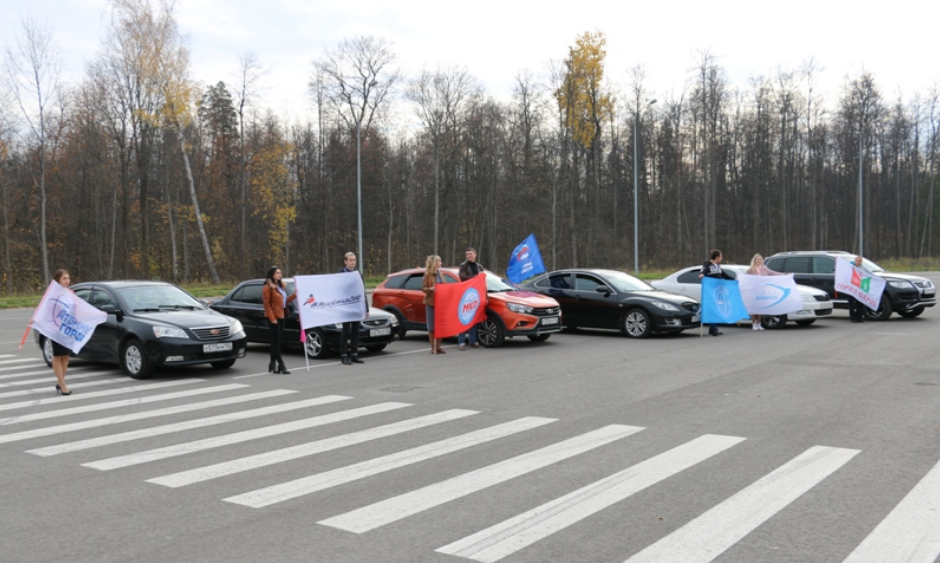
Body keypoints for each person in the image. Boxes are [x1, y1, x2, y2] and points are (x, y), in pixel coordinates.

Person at [262, 265, 296, 374]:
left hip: (282, 316)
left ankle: (272, 363)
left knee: (275, 341)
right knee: (276, 342)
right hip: (274, 317)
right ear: (272, 275)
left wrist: (295, 295)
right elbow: (266, 305)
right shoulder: (268, 287)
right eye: (277, 273)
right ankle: (281, 364)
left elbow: (285, 302)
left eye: (280, 272)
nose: (279, 274)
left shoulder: (281, 286)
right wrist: (272, 319)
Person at [746, 253, 786, 331]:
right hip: (754, 290)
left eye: (760, 259)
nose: (759, 261)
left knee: (761, 307)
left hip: (762, 290)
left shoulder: (764, 269)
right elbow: (746, 279)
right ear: (754, 260)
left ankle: (759, 323)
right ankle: (754, 323)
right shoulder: (750, 270)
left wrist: (784, 275)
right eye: (757, 259)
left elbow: (773, 273)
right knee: (754, 308)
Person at [699, 249, 735, 336]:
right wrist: (702, 274)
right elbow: (704, 270)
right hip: (711, 291)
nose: (722, 258)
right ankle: (713, 328)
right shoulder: (708, 264)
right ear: (717, 257)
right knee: (714, 308)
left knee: (718, 308)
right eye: (721, 256)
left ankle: (713, 328)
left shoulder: (718, 266)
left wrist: (734, 280)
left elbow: (724, 275)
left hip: (718, 291)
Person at [338, 252, 366, 365]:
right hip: (345, 306)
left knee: (355, 331)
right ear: (345, 261)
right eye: (350, 260)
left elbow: (362, 292)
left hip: (356, 306)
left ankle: (354, 353)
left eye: (354, 260)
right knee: (346, 331)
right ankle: (344, 354)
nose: (352, 262)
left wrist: (366, 309)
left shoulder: (358, 274)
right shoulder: (340, 273)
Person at [51, 269, 74, 395]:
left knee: (66, 356)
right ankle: (62, 383)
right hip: (56, 329)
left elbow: (78, 308)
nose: (67, 281)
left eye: (68, 278)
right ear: (58, 280)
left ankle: (61, 382)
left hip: (68, 329)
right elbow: (45, 309)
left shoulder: (70, 293)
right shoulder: (53, 294)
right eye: (64, 278)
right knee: (58, 356)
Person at [457, 247, 485, 350]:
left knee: (474, 318)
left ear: (475, 255)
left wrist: (485, 296)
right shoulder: (463, 266)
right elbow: (463, 277)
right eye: (467, 254)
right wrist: (477, 277)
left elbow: (483, 282)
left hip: (477, 295)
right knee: (464, 318)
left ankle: (473, 340)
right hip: (466, 295)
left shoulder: (479, 266)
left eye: (470, 254)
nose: (468, 256)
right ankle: (461, 341)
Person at [422, 255, 446, 355]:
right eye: (439, 261)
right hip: (431, 303)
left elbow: (445, 286)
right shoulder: (427, 275)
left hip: (441, 304)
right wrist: (430, 289)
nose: (441, 263)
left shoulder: (441, 274)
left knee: (440, 326)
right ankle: (433, 347)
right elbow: (423, 288)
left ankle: (439, 347)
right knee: (432, 327)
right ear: (434, 263)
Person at [847, 255, 866, 323]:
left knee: (860, 303)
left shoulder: (863, 269)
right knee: (852, 304)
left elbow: (870, 275)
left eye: (859, 261)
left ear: (861, 261)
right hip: (852, 288)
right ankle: (853, 318)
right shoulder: (851, 267)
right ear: (855, 261)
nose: (858, 262)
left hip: (860, 288)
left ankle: (859, 317)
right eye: (857, 261)